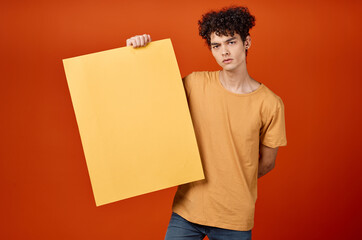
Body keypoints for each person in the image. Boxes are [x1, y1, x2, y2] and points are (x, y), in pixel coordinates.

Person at [126, 6, 287, 240]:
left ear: (247, 42)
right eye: (216, 45)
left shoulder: (270, 103)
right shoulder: (195, 83)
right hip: (187, 212)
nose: (224, 51)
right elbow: (153, 100)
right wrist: (139, 54)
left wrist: (232, 177)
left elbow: (267, 163)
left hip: (234, 218)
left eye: (231, 42)